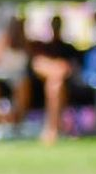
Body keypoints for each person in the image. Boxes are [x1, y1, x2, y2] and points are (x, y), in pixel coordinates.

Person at [31, 15, 82, 145]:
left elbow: (71, 68)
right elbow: (37, 65)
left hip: (67, 87)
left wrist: (59, 70)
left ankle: (53, 128)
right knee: (55, 83)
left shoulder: (69, 48)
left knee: (56, 84)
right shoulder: (44, 48)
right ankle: (53, 127)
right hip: (42, 87)